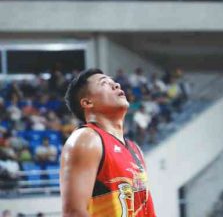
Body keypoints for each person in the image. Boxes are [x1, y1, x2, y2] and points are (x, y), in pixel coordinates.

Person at [60, 68, 156, 217]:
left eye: (114, 81)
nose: (116, 85)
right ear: (87, 102)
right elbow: (74, 212)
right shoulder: (86, 139)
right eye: (104, 83)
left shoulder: (135, 149)